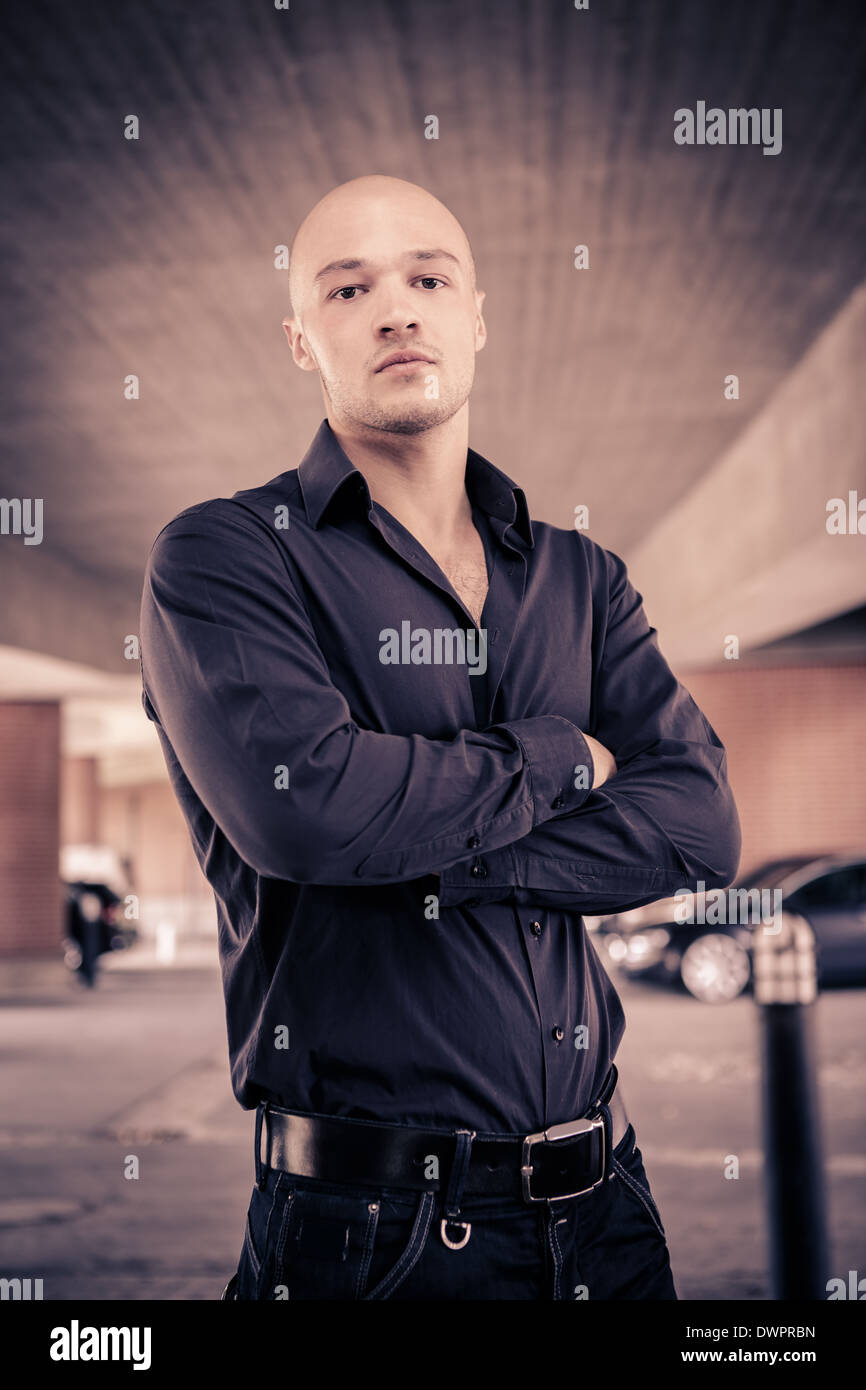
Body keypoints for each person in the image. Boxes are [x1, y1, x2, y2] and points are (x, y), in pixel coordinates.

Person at [139, 174, 741, 1300]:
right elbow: (303, 811)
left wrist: (427, 851)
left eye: (427, 278)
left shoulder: (579, 575)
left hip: (607, 1209)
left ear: (476, 317)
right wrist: (563, 757)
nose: (396, 309)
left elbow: (699, 824)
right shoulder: (225, 557)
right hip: (372, 1238)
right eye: (349, 287)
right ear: (300, 340)